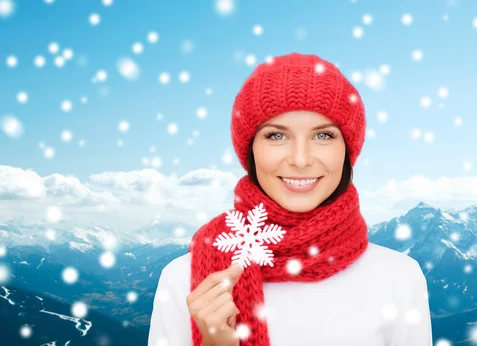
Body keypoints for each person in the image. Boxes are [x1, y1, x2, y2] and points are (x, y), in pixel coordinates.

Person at [148, 52, 433, 346]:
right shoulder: (185, 281)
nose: (300, 159)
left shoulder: (400, 278)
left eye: (323, 136)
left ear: (348, 150)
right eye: (276, 136)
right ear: (251, 151)